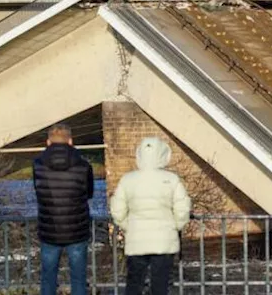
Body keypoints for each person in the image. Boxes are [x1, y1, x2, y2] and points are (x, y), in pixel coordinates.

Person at [110, 136, 192, 295]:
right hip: (164, 239)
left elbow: (117, 210)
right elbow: (182, 208)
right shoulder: (171, 179)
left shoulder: (128, 180)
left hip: (136, 240)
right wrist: (175, 226)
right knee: (160, 283)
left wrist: (129, 226)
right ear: (163, 154)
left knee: (134, 282)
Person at [33, 123, 94, 295]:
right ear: (71, 141)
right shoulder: (83, 165)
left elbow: (38, 191)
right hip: (77, 229)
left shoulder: (38, 164)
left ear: (48, 142)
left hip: (49, 229)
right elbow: (89, 193)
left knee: (48, 278)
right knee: (79, 279)